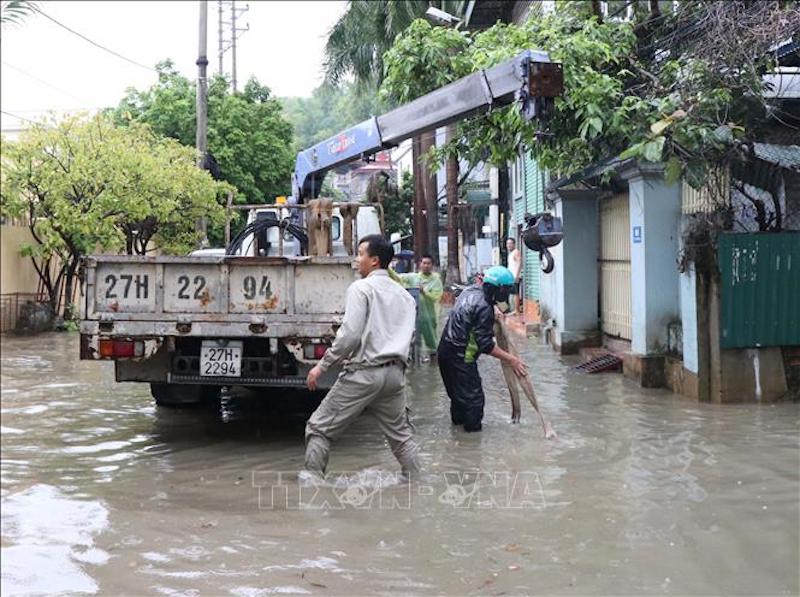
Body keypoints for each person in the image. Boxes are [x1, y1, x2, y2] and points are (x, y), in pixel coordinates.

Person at [303, 235, 420, 480]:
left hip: (364, 373)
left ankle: (311, 490)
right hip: (395, 376)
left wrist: (321, 367)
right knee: (401, 439)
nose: (356, 260)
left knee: (318, 429)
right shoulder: (406, 297)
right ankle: (417, 486)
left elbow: (350, 336)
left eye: (360, 254)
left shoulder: (361, 288)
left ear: (374, 260)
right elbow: (410, 338)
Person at [437, 265, 527, 432]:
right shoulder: (484, 308)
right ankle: (472, 445)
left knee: (458, 399)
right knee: (474, 402)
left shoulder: (470, 291)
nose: (507, 294)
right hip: (461, 359)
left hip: (444, 354)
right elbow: (485, 345)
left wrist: (494, 310)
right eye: (506, 290)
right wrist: (512, 359)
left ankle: (457, 438)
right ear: (499, 289)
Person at [389, 254, 444, 361]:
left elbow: (436, 297)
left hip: (430, 315)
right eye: (424, 263)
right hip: (414, 314)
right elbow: (397, 278)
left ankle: (434, 359)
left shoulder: (436, 280)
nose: (426, 265)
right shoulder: (414, 277)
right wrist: (387, 267)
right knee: (412, 338)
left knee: (431, 340)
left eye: (428, 263)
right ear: (420, 264)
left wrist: (424, 292)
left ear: (432, 265)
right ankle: (413, 357)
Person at [506, 237, 522, 314]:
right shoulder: (510, 254)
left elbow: (519, 263)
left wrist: (517, 275)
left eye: (510, 243)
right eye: (507, 243)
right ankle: (514, 310)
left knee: (516, 293)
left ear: (514, 244)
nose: (508, 245)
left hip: (515, 276)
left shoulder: (516, 252)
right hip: (511, 277)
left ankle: (517, 310)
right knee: (513, 293)